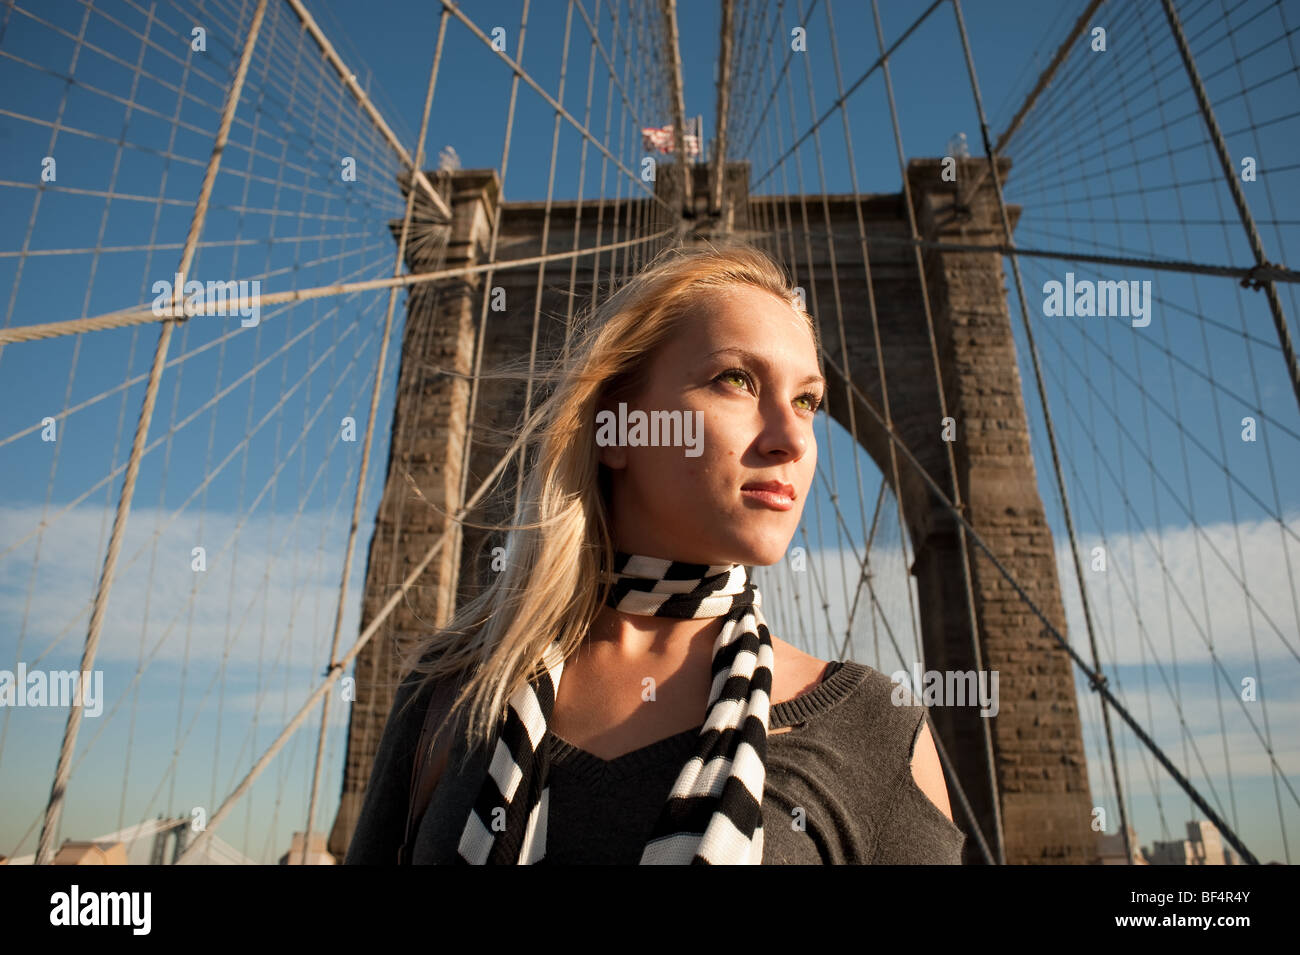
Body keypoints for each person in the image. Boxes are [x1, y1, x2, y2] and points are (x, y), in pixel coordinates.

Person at [345, 243, 966, 864]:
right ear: (616, 431)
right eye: (737, 380)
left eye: (807, 400)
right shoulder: (449, 697)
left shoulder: (874, 731)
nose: (793, 438)